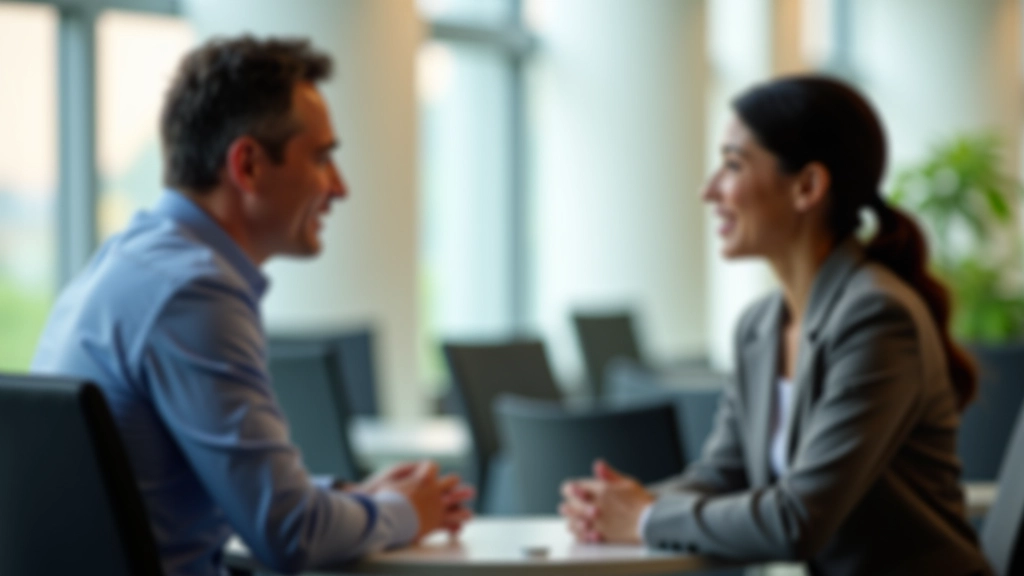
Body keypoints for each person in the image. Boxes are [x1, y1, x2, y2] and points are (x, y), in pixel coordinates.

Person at [32, 36, 473, 576]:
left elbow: (199, 485)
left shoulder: (124, 263)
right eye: (321, 157)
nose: (341, 188)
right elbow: (291, 535)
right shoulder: (194, 295)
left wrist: (356, 500)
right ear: (248, 165)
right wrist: (405, 513)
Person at [559, 76, 992, 575]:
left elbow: (798, 518)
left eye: (733, 165)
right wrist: (618, 508)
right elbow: (725, 476)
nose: (709, 190)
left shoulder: (876, 316)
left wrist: (648, 517)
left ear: (807, 186)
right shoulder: (760, 326)